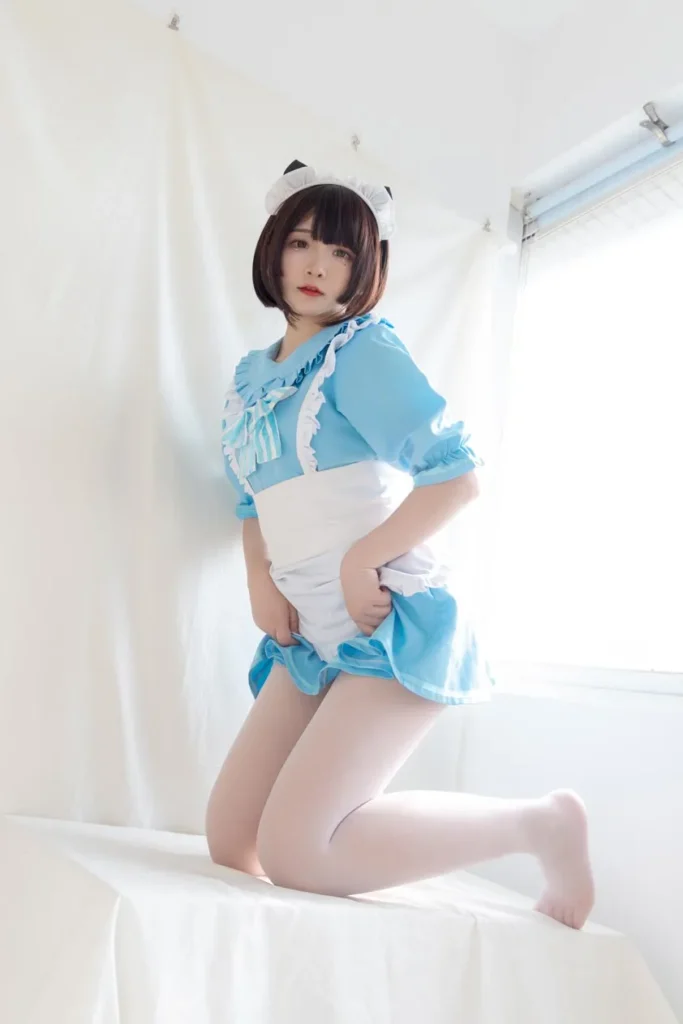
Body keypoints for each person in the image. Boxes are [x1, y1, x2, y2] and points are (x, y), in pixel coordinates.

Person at [206, 161, 594, 929]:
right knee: (232, 841)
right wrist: (259, 579)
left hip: (388, 621)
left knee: (298, 856)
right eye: (302, 242)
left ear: (367, 268)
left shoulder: (361, 353)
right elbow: (252, 496)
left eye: (341, 252)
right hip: (309, 632)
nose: (318, 266)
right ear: (272, 248)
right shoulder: (252, 378)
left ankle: (538, 824)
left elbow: (456, 475)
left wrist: (361, 561)